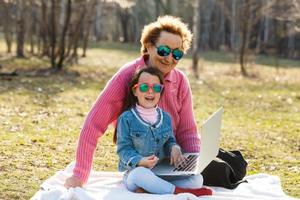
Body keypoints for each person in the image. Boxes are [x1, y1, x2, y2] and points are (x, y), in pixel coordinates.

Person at [64, 15, 201, 188]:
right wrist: (80, 175)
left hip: (170, 164)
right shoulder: (127, 76)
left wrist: (195, 165)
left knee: (197, 181)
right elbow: (93, 124)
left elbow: (187, 131)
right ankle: (169, 191)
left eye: (177, 53)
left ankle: (160, 188)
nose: (169, 58)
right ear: (149, 47)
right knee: (141, 177)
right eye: (164, 51)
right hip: (139, 164)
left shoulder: (180, 81)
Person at [116, 67, 212, 196]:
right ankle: (178, 191)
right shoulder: (126, 118)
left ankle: (152, 188)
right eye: (144, 87)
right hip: (136, 172)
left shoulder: (165, 117)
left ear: (161, 91)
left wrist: (174, 148)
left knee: (197, 179)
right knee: (139, 175)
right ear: (135, 91)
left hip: (161, 172)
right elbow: (123, 149)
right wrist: (140, 161)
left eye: (156, 88)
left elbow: (169, 141)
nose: (150, 92)